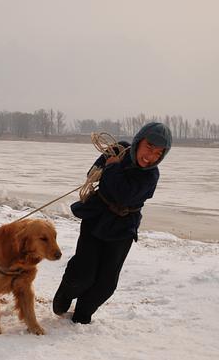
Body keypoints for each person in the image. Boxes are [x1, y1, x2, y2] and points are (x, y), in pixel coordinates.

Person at [52, 122, 172, 324]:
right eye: (149, 147)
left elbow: (123, 195)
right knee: (83, 272)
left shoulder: (151, 176)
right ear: (138, 141)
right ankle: (65, 293)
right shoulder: (118, 149)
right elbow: (94, 170)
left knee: (106, 284)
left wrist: (113, 167)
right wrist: (105, 166)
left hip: (123, 228)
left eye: (158, 153)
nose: (151, 156)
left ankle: (82, 315)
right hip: (96, 217)